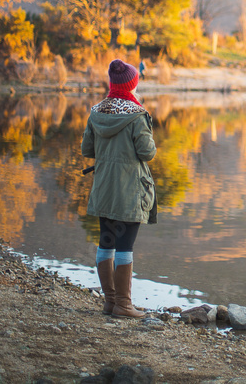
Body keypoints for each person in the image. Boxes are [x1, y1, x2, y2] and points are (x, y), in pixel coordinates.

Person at [82, 59, 157, 318]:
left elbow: (87, 150)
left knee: (106, 241)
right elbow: (147, 153)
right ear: (131, 85)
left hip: (103, 187)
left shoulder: (96, 111)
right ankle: (124, 305)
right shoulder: (137, 115)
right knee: (125, 244)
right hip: (129, 191)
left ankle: (110, 301)